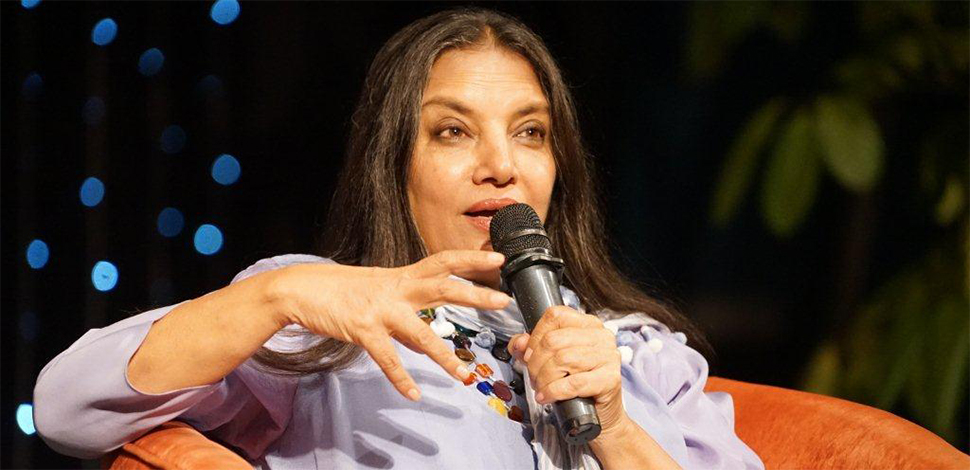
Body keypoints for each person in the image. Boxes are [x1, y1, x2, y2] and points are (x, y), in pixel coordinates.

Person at [33, 7, 765, 470]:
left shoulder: (639, 353)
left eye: (530, 132)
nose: (501, 165)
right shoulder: (325, 319)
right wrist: (281, 295)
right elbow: (68, 408)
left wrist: (616, 428)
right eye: (452, 131)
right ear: (394, 164)